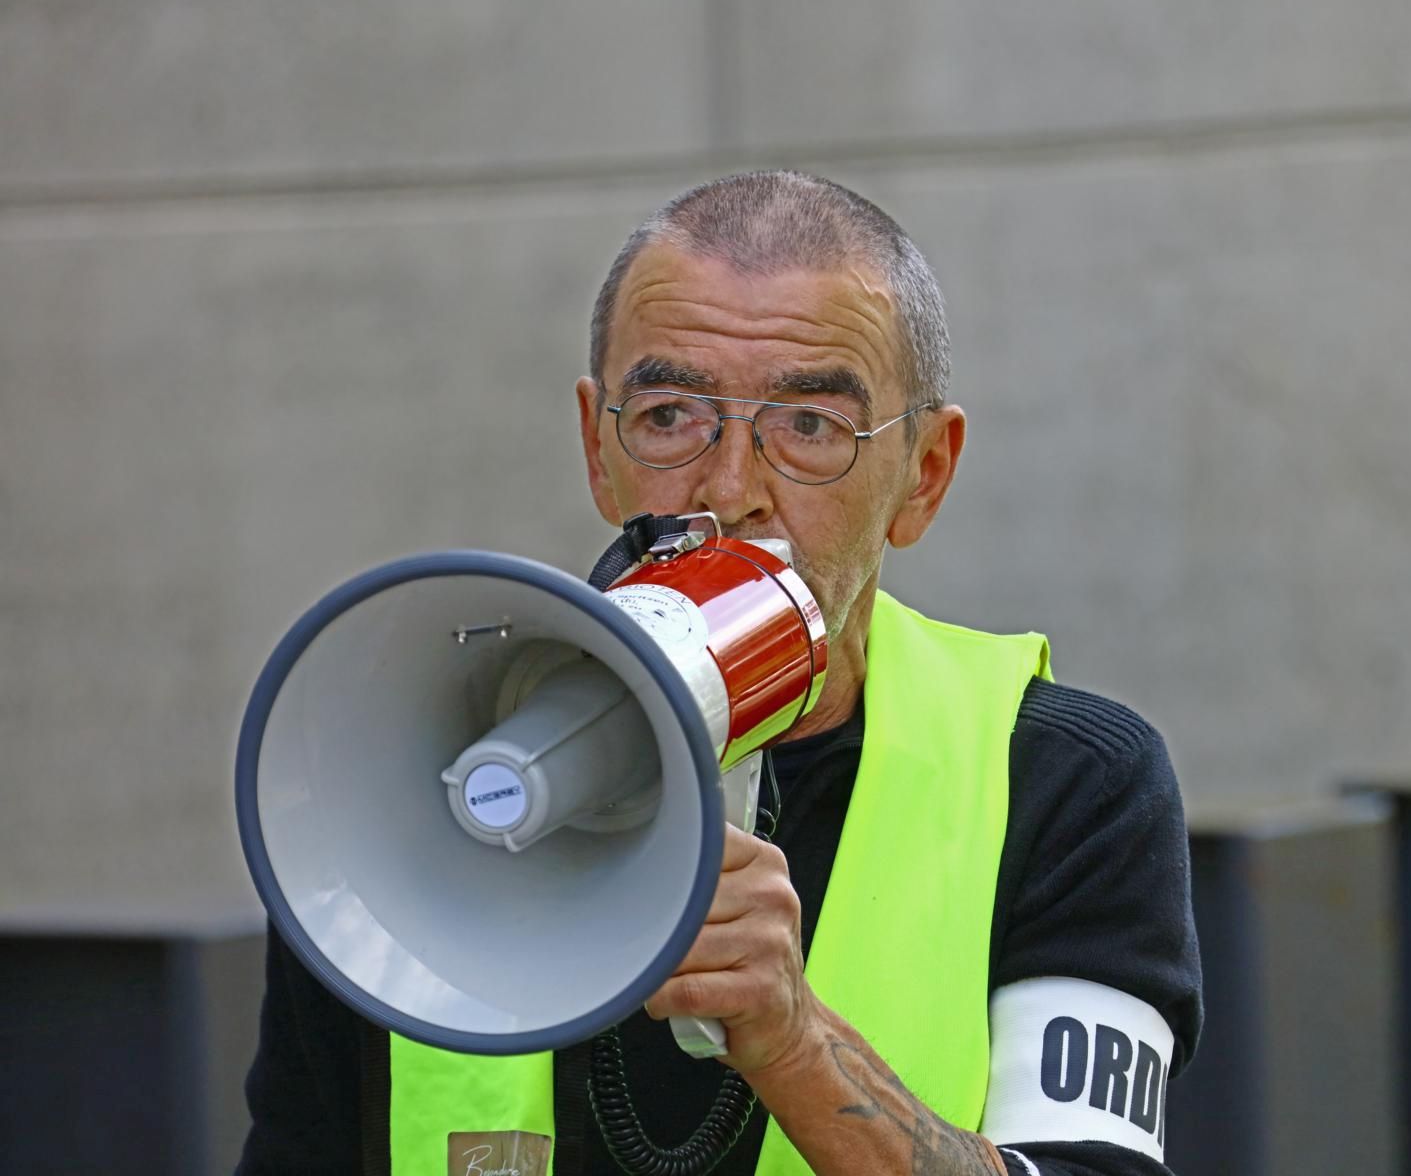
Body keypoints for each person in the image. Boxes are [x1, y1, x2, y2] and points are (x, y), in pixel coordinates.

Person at [239, 170, 1202, 1176]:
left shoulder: (1063, 783)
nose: (730, 489)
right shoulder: (387, 776)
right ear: (597, 445)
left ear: (925, 474)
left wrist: (793, 1042)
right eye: (669, 415)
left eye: (809, 428)